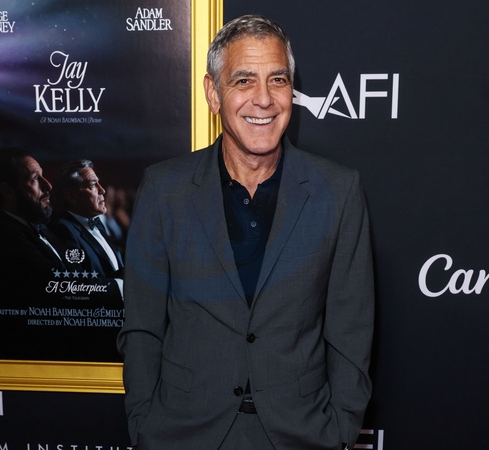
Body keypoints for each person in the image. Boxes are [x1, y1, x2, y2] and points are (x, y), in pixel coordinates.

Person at [117, 15, 374, 450]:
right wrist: (145, 422)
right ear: (213, 93)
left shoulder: (338, 190)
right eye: (243, 81)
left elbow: (352, 327)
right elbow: (142, 325)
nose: (264, 99)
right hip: (184, 433)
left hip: (301, 435)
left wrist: (341, 428)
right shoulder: (164, 189)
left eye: (278, 80)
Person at [0, 147, 68, 359]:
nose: (48, 185)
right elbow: (57, 285)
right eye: (35, 179)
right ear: (7, 191)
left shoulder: (45, 230)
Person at [51, 159, 124, 283]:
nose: (102, 190)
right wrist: (120, 284)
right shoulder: (63, 229)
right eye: (93, 185)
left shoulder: (97, 224)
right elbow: (77, 283)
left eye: (99, 183)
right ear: (72, 196)